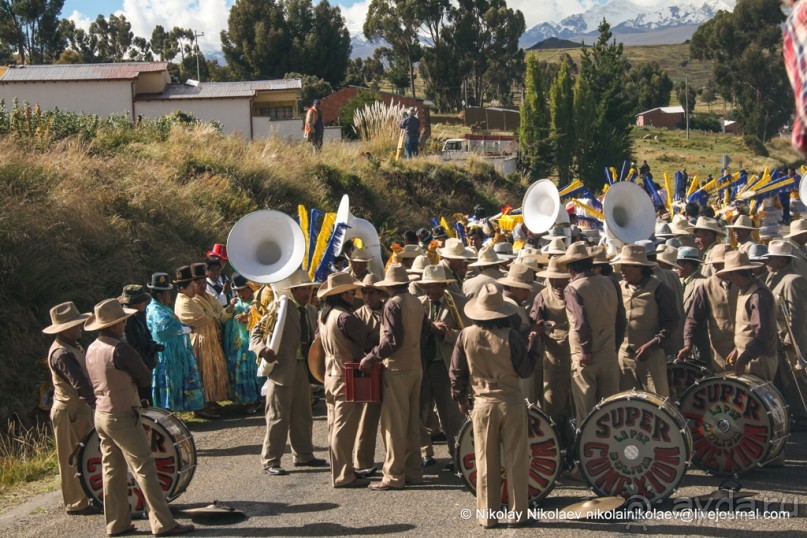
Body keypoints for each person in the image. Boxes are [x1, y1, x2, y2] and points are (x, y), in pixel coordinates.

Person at [84, 299, 194, 537]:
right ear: (115, 324)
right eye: (122, 321)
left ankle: (116, 523)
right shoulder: (120, 349)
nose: (124, 325)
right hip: (122, 413)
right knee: (144, 467)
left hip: (101, 414)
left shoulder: (92, 347)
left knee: (112, 470)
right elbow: (144, 377)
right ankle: (162, 522)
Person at [450, 282, 540, 528]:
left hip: (482, 404)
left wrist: (460, 398)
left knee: (485, 462)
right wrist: (535, 344)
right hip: (511, 402)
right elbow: (525, 370)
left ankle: (488, 516)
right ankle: (518, 513)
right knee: (516, 460)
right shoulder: (511, 336)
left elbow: (457, 372)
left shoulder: (465, 335)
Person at [359, 264, 431, 490]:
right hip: (415, 367)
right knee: (411, 424)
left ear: (388, 286)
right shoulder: (417, 302)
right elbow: (425, 331)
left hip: (397, 369)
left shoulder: (393, 304)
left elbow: (392, 340)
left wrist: (371, 357)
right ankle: (414, 471)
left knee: (394, 426)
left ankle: (393, 475)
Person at [251, 270, 326, 475]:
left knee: (303, 414)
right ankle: (271, 460)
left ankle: (304, 455)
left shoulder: (311, 311)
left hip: (303, 367)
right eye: (302, 289)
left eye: (308, 288)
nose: (306, 293)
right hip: (281, 369)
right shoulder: (279, 307)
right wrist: (262, 350)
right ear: (292, 291)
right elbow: (256, 332)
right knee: (277, 416)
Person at [557, 242, 625, 426]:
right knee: (611, 411)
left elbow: (580, 321)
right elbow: (621, 318)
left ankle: (586, 444)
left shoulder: (573, 288)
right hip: (608, 353)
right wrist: (615, 346)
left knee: (586, 414)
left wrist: (585, 350)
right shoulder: (611, 283)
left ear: (570, 268)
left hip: (584, 357)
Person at [316, 272, 374, 487]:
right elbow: (368, 340)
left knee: (334, 425)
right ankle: (343, 475)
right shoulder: (345, 317)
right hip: (345, 375)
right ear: (342, 295)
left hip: (330, 374)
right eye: (351, 292)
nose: (354, 295)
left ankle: (342, 469)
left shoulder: (324, 315)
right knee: (344, 427)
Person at [42, 302, 97, 515]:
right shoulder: (61, 354)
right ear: (64, 329)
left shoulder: (72, 346)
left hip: (77, 410)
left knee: (84, 456)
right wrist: (97, 404)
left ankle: (86, 497)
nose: (80, 327)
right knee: (71, 458)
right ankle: (76, 503)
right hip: (69, 412)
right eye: (76, 324)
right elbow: (79, 384)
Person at [417, 265, 466, 471]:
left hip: (445, 366)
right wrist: (429, 328)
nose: (426, 290)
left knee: (451, 414)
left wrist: (446, 333)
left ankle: (457, 455)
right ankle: (424, 453)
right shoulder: (419, 304)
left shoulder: (457, 303)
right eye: (425, 286)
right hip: (423, 364)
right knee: (419, 411)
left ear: (441, 286)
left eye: (431, 286)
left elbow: (467, 334)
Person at [614, 245, 679, 397]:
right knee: (627, 401)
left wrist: (653, 345)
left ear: (640, 268)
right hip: (624, 357)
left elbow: (672, 322)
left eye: (627, 266)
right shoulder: (619, 288)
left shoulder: (659, 289)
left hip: (651, 356)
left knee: (657, 400)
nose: (622, 270)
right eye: (622, 266)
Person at [145, 272, 205, 413]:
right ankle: (168, 411)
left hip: (174, 353)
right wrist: (186, 329)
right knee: (170, 381)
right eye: (167, 293)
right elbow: (165, 328)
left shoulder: (162, 308)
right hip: (167, 355)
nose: (170, 296)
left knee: (177, 380)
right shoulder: (155, 310)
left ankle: (178, 409)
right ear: (160, 295)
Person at [173, 265, 227, 417]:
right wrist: (213, 317)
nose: (199, 287)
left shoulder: (199, 298)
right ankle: (202, 405)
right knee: (203, 371)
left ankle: (210, 399)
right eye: (194, 285)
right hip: (199, 341)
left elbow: (215, 313)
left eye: (203, 282)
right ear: (183, 288)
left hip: (209, 339)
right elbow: (203, 319)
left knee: (212, 370)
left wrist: (214, 316)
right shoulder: (185, 302)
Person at [718, 252, 778, 381]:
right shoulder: (746, 291)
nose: (730, 280)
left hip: (759, 360)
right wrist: (737, 349)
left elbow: (761, 335)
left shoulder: (758, 295)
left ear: (735, 274)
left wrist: (744, 359)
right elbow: (747, 329)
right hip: (750, 357)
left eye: (730, 275)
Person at [678, 244, 737, 372]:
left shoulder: (744, 284)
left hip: (745, 348)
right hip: (719, 351)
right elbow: (693, 318)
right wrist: (688, 343)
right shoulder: (707, 286)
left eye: (720, 264)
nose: (716, 268)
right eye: (715, 264)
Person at [531, 258, 573, 432]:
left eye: (561, 279)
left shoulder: (578, 293)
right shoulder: (542, 296)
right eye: (553, 279)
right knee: (553, 405)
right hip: (555, 359)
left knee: (578, 405)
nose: (557, 283)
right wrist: (544, 327)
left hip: (579, 358)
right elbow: (534, 325)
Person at [353, 274, 385, 476]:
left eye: (372, 292)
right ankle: (363, 461)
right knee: (367, 419)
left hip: (391, 369)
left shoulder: (389, 309)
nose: (367, 296)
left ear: (380, 294)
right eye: (364, 292)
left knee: (394, 419)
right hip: (370, 371)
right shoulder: (358, 316)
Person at [224, 274, 262, 407]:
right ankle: (243, 398)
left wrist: (248, 319)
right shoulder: (236, 303)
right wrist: (229, 309)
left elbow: (262, 319)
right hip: (237, 342)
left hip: (251, 342)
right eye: (237, 291)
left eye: (242, 291)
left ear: (250, 289)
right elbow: (224, 318)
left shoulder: (256, 302)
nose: (239, 294)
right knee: (238, 367)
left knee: (252, 368)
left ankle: (256, 398)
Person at [118, 285, 158, 405]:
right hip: (137, 370)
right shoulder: (127, 321)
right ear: (135, 303)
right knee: (143, 403)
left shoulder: (137, 316)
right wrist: (147, 361)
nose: (146, 304)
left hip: (143, 366)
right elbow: (132, 348)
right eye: (143, 301)